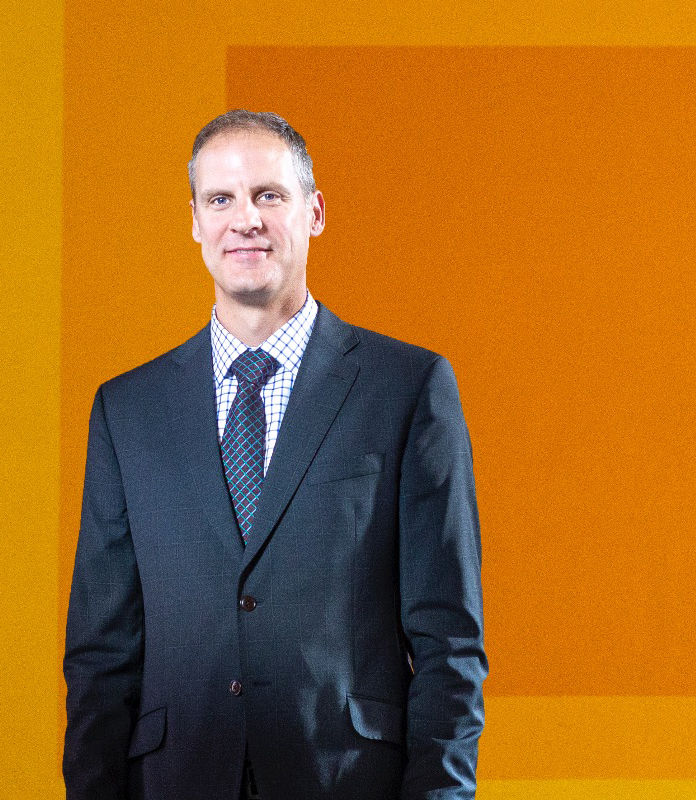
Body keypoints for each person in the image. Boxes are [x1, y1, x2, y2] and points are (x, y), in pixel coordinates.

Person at [63, 110, 487, 800]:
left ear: (314, 211)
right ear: (195, 222)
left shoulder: (408, 387)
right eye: (220, 200)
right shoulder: (126, 409)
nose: (245, 220)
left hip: (348, 781)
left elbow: (449, 640)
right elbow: (101, 653)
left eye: (269, 195)